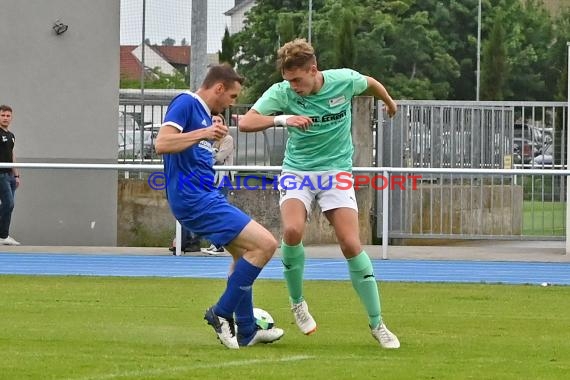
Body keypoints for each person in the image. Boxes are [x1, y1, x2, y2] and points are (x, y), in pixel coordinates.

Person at [239, 38, 400, 349]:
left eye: (298, 79)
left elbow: (372, 84)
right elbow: (246, 122)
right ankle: (297, 303)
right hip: (297, 171)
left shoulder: (343, 81)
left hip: (336, 172)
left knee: (351, 244)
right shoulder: (282, 92)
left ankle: (377, 324)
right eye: (289, 80)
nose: (293, 86)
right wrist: (282, 119)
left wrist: (389, 102)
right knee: (292, 229)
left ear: (313, 70)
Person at [155, 64, 284, 349]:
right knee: (266, 245)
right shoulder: (186, 103)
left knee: (244, 256)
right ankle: (221, 313)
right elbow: (162, 143)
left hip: (206, 196)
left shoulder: (205, 116)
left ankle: (248, 329)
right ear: (219, 88)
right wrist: (203, 133)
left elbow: (195, 152)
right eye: (233, 96)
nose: (232, 103)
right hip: (194, 199)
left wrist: (212, 137)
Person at [201, 113, 235, 255]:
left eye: (218, 121)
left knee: (219, 212)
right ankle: (215, 243)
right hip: (211, 179)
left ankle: (219, 245)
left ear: (224, 124)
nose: (215, 123)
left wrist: (210, 153)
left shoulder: (227, 139)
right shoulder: (210, 140)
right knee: (210, 212)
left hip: (223, 179)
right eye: (213, 121)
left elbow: (220, 158)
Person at [0, 105, 20, 246]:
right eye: (3, 115)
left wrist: (16, 175)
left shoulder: (11, 136)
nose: (5, 118)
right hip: (0, 175)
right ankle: (2, 235)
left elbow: (12, 155)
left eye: (8, 116)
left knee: (10, 206)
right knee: (9, 203)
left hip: (9, 175)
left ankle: (3, 235)